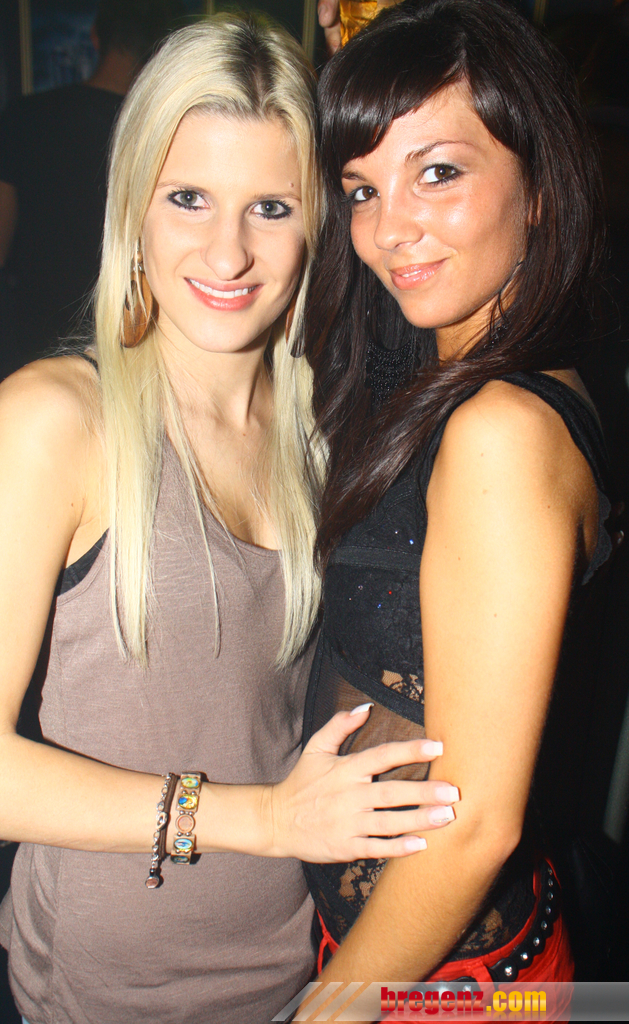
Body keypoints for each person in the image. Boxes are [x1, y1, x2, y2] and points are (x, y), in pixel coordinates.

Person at [0, 15, 460, 1024]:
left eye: (271, 207)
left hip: (296, 964)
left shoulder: (319, 434)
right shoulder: (54, 422)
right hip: (103, 995)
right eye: (188, 198)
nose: (228, 250)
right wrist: (264, 819)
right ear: (134, 207)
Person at [301, 0, 612, 1015]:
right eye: (362, 188)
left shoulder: (501, 430)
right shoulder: (446, 383)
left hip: (443, 987)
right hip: (402, 953)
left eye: (437, 172)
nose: (388, 228)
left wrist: (327, 1006)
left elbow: (475, 823)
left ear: (538, 186)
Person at [0, 0, 184, 379]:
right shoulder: (162, 135)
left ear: (96, 37)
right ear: (157, 48)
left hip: (31, 336)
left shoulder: (25, 117)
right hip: (128, 341)